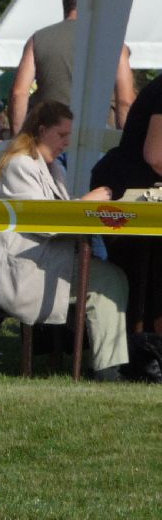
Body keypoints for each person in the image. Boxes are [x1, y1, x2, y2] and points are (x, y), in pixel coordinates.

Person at [0, 101, 129, 381]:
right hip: (19, 265)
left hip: (43, 258)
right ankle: (106, 369)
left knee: (111, 276)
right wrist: (86, 202)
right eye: (62, 135)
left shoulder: (51, 167)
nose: (66, 143)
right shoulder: (20, 165)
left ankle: (103, 361)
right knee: (108, 280)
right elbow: (44, 223)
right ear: (42, 130)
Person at [90, 68, 162, 332]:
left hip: (141, 190)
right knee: (141, 282)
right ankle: (140, 343)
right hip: (129, 193)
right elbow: (156, 156)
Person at [10, 0, 135, 129]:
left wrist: (18, 137)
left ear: (65, 4)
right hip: (96, 133)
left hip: (50, 132)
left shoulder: (37, 39)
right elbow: (125, 101)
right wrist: (125, 138)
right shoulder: (113, 42)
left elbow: (19, 93)